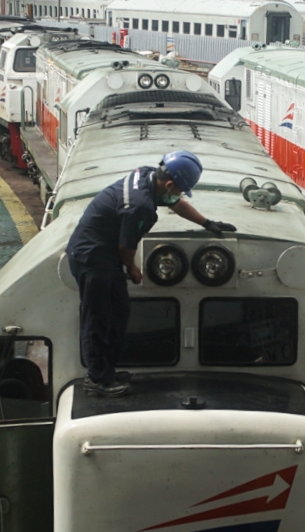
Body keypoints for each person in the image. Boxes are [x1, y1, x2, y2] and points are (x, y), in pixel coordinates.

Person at [66, 149, 235, 397]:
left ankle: (108, 370)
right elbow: (126, 247)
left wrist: (207, 223)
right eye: (179, 188)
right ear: (168, 183)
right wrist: (133, 269)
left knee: (119, 312)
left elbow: (175, 203)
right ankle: (97, 379)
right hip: (92, 258)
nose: (178, 194)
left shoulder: (147, 175)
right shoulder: (139, 206)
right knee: (98, 319)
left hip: (105, 254)